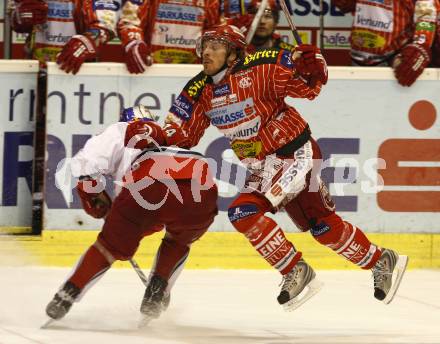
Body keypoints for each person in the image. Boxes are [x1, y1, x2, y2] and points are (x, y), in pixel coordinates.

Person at [162, 24, 408, 311]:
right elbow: (182, 136)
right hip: (264, 166)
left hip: (295, 154)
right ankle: (381, 260)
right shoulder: (197, 89)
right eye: (205, 45)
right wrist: (148, 132)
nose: (206, 51)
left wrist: (313, 64)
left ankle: (294, 269)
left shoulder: (260, 67)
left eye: (216, 46)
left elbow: (309, 86)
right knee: (323, 227)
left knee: (243, 211)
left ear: (233, 54)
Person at [45, 106, 218, 323]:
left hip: (147, 183)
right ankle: (158, 289)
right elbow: (160, 213)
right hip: (200, 182)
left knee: (107, 248)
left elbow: (85, 167)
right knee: (178, 241)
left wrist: (97, 203)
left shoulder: (121, 129)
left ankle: (68, 293)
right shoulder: (170, 132)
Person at [332, 0, 440, 86]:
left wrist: (421, 43)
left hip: (395, 58)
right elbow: (347, 5)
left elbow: (426, 11)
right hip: (358, 54)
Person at [117, 0, 221, 74]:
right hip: (151, 70)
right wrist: (134, 42)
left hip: (194, 72)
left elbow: (217, 29)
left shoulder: (212, 2)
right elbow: (130, 19)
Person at [222, 0, 296, 52]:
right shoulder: (234, 52)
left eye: (267, 16)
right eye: (257, 16)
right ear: (246, 19)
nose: (262, 21)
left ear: (276, 22)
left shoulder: (288, 52)